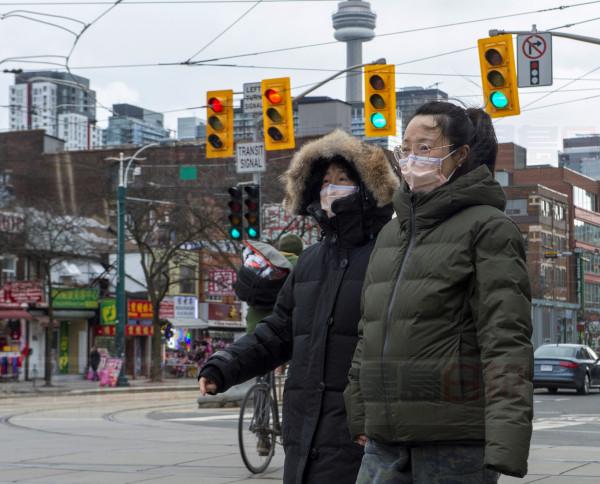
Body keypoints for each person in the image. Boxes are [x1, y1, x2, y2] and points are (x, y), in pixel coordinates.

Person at [345, 101, 534, 483]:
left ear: (460, 155)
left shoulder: (489, 228)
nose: (412, 158)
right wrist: (360, 411)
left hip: (454, 444)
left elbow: (506, 339)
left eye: (426, 147)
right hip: (385, 441)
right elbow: (369, 332)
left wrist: (506, 440)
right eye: (406, 147)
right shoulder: (390, 235)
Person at [199, 129, 399, 484]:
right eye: (324, 181)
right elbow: (278, 332)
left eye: (342, 180)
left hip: (358, 435)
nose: (330, 189)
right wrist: (224, 366)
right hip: (304, 432)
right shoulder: (309, 262)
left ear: (369, 189)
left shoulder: (390, 257)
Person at [235, 235, 303, 335]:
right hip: (279, 331)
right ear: (300, 250)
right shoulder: (301, 265)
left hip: (253, 327)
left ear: (280, 247)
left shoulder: (264, 261)